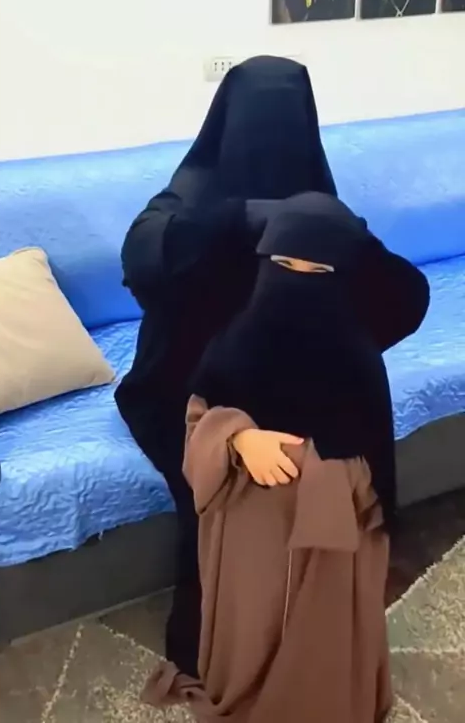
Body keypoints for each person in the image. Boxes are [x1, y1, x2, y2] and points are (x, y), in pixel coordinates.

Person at [144, 192, 430, 723]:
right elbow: (199, 417)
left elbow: (374, 466)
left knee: (319, 627)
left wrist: (319, 473)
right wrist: (238, 438)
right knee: (251, 612)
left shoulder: (356, 356)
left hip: (328, 533)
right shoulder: (234, 342)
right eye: (283, 264)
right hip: (246, 523)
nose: (297, 280)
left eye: (317, 270)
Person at [115, 56, 337, 677]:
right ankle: (210, 648)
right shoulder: (186, 197)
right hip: (182, 388)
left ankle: (296, 627)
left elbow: (365, 292)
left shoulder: (318, 199)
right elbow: (142, 262)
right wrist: (236, 220)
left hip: (279, 378)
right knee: (215, 492)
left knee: (317, 471)